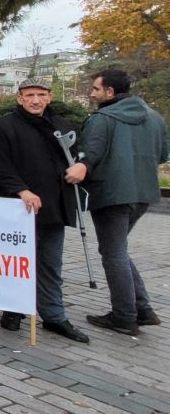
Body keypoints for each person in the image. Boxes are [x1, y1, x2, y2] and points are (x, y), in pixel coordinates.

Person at [65, 68, 169, 335]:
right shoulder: (155, 118)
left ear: (110, 92)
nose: (91, 93)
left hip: (111, 195)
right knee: (118, 250)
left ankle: (124, 316)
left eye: (96, 89)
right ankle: (143, 309)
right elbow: (163, 154)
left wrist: (80, 168)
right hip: (144, 194)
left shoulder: (102, 118)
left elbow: (90, 156)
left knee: (113, 254)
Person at [0, 79, 90, 342]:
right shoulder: (3, 126)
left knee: (51, 264)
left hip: (55, 206)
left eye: (41, 95)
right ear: (19, 98)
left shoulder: (63, 126)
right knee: (17, 263)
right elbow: (1, 166)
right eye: (29, 95)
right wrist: (22, 190)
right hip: (18, 208)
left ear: (50, 96)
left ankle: (54, 316)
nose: (35, 100)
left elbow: (76, 159)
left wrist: (81, 168)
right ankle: (14, 310)